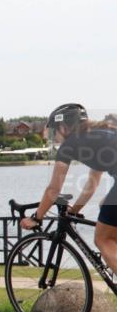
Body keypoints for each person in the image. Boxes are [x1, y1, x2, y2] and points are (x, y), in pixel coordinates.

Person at [20, 103, 117, 274]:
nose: (53, 138)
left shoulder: (70, 145)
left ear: (64, 128)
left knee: (102, 239)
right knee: (105, 206)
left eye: (53, 132)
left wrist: (37, 218)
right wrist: (75, 210)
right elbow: (92, 182)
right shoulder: (99, 135)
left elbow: (53, 189)